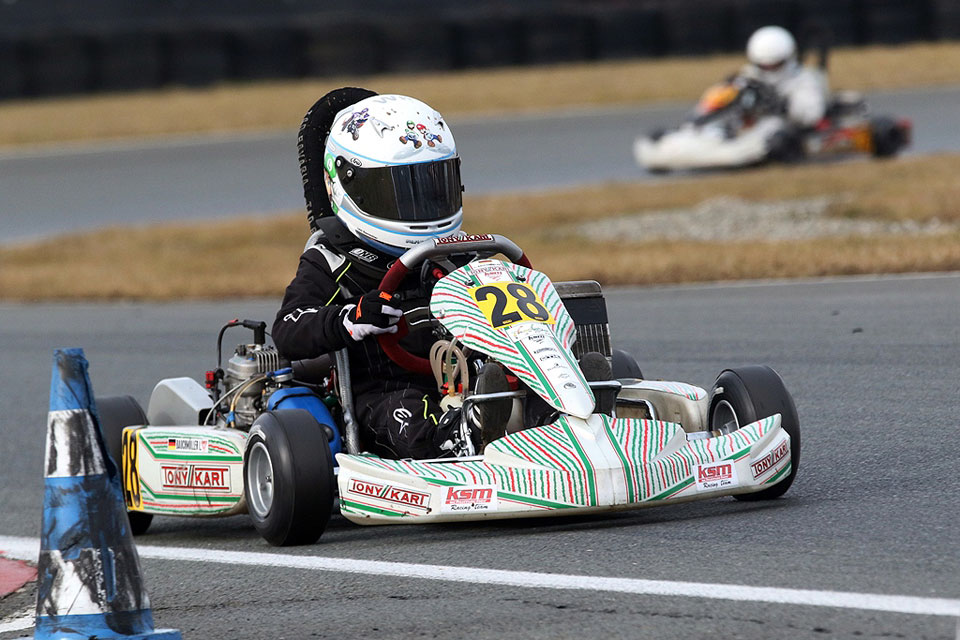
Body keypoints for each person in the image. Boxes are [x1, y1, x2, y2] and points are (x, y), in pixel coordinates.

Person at [272, 88, 508, 460]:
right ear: (351, 185)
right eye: (401, 192)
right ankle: (462, 434)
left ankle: (574, 410)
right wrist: (349, 318)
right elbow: (288, 328)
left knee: (515, 384)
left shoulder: (457, 252)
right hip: (384, 391)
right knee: (412, 422)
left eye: (431, 185)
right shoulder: (334, 259)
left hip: (467, 376)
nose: (420, 205)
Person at [738, 25, 829, 128]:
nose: (769, 70)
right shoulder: (748, 77)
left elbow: (812, 114)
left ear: (787, 59)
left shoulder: (803, 80)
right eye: (764, 66)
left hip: (785, 132)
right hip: (750, 131)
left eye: (775, 65)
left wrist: (782, 106)